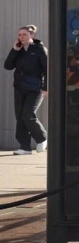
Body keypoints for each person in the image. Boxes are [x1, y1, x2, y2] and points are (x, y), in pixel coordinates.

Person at [4, 25, 48, 155]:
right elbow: (7, 66)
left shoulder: (40, 50)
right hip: (19, 88)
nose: (21, 37)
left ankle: (42, 138)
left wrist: (46, 88)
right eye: (20, 35)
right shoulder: (19, 50)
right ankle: (25, 146)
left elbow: (48, 69)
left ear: (32, 36)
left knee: (28, 115)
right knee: (20, 117)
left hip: (36, 89)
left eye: (24, 35)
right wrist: (14, 51)